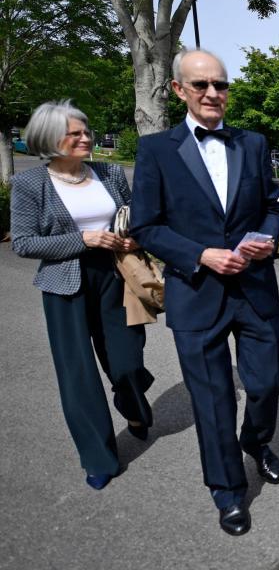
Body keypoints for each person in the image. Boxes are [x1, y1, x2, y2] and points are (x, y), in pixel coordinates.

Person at [130, 49, 279, 536]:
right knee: (213, 397)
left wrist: (268, 237)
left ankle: (256, 440)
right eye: (201, 86)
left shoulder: (254, 143)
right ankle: (227, 490)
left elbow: (272, 207)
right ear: (178, 89)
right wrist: (201, 255)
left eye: (220, 85)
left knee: (265, 383)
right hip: (196, 292)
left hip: (255, 289)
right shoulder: (156, 150)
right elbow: (146, 226)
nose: (213, 94)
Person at [10, 101, 153, 490]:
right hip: (65, 285)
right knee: (79, 375)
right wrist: (83, 238)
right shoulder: (30, 183)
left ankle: (133, 405)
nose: (86, 138)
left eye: (86, 131)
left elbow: (132, 214)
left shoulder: (108, 172)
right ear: (50, 139)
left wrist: (133, 233)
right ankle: (98, 456)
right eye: (75, 133)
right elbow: (22, 243)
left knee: (127, 362)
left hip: (116, 275)